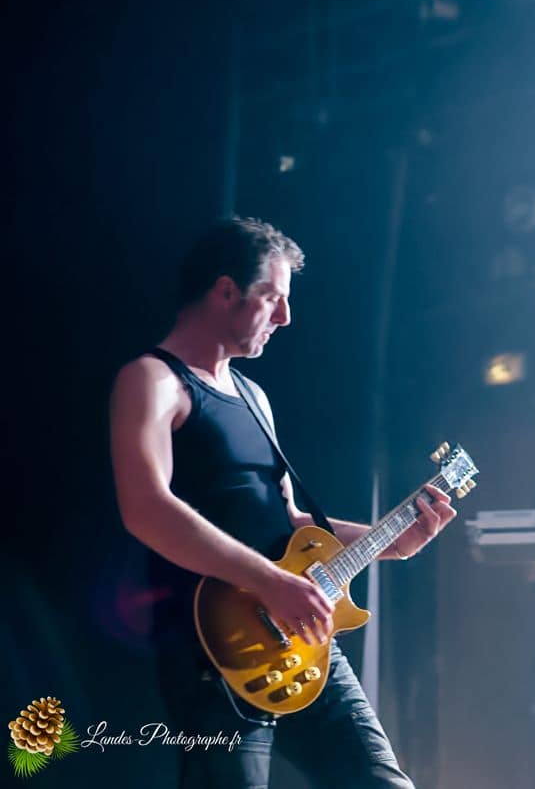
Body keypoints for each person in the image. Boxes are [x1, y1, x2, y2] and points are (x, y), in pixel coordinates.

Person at [108, 217, 456, 788]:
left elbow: (291, 522)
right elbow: (146, 507)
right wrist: (269, 583)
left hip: (304, 642)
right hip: (212, 657)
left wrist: (391, 540)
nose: (286, 317)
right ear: (226, 291)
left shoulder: (254, 396)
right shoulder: (152, 379)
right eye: (273, 298)